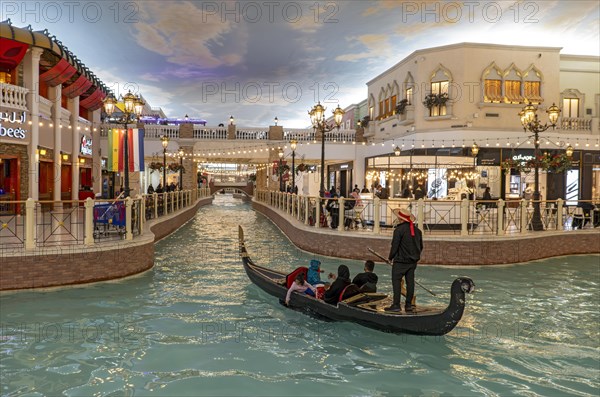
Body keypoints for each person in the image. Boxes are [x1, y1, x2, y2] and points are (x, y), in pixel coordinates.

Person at [385, 208, 423, 313]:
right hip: (412, 262)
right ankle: (408, 305)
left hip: (400, 262)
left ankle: (396, 305)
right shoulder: (418, 231)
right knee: (410, 283)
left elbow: (395, 246)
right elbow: (420, 247)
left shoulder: (398, 230)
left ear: (400, 219)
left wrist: (390, 258)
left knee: (396, 282)